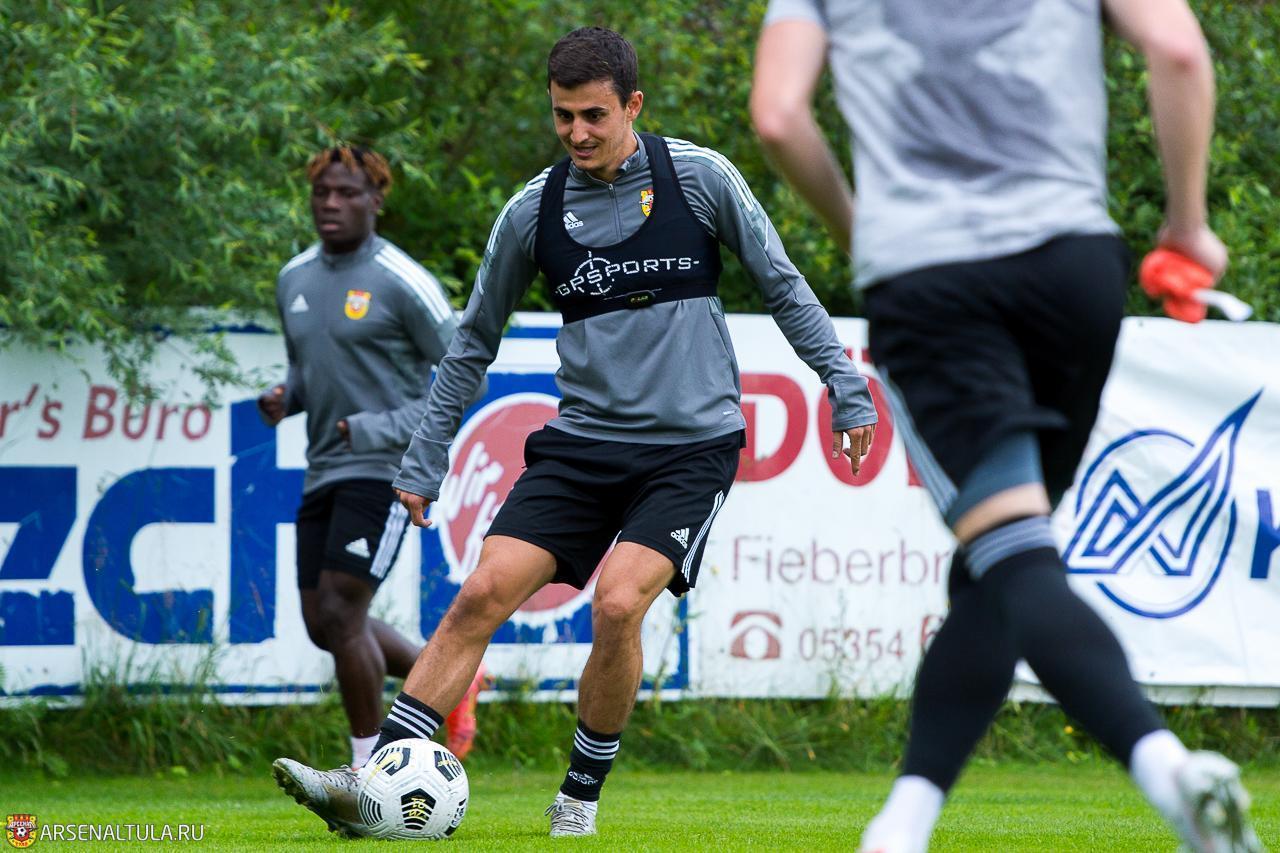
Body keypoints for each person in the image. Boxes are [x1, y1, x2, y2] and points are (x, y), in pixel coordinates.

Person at [272, 26, 878, 839]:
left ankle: (578, 797)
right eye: (563, 116)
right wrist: (424, 457)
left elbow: (785, 286)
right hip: (584, 444)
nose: (578, 133)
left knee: (619, 602)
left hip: (690, 448)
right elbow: (470, 343)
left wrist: (846, 387)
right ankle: (371, 784)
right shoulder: (532, 210)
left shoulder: (700, 178)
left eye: (594, 115)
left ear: (633, 105)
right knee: (481, 592)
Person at [750, 1, 1260, 852]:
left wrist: (863, 232)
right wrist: (1187, 224)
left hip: (931, 279)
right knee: (997, 566)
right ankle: (902, 822)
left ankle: (1170, 771)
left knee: (1015, 555)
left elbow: (777, 115)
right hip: (1073, 272)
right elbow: (1176, 49)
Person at [259, 145, 485, 774]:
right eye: (321, 193)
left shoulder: (401, 279)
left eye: (347, 193)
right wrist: (286, 397)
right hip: (323, 467)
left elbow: (468, 380)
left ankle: (367, 770)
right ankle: (451, 678)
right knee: (322, 623)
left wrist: (375, 427)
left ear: (376, 200)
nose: (331, 204)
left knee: (341, 611)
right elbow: (307, 370)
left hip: (388, 467)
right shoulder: (293, 278)